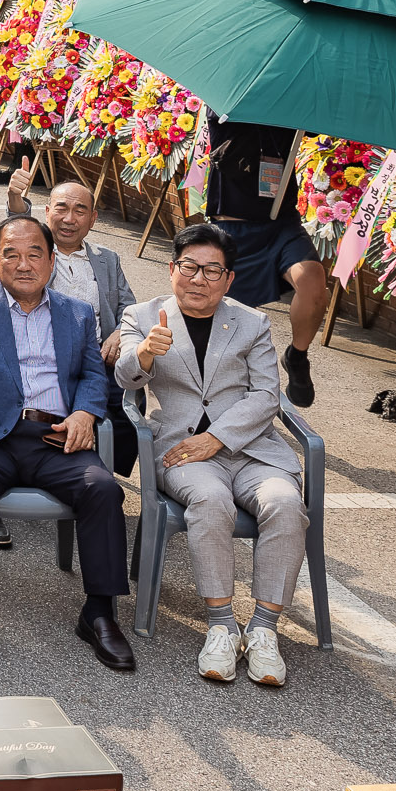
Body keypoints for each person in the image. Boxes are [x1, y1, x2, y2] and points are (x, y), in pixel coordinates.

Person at [0, 215, 133, 670]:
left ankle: (100, 612)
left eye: (34, 255)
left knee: (103, 489)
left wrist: (85, 411)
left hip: (56, 436)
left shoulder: (77, 313)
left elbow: (91, 375)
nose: (23, 265)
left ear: (51, 261)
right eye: (11, 254)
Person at [115, 222, 307, 687]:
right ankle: (220, 623)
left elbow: (266, 396)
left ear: (229, 278)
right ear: (172, 268)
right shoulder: (142, 315)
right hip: (182, 450)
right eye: (190, 267)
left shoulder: (252, 321)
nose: (198, 279)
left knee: (284, 504)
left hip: (251, 448)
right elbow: (124, 379)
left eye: (212, 270)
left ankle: (263, 630)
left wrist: (217, 438)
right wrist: (143, 354)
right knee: (210, 502)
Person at [5, 171, 142, 471]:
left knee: (128, 398)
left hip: (100, 355)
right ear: (47, 212)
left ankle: (107, 472)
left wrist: (119, 333)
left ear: (92, 219)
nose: (69, 218)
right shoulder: (34, 256)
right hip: (49, 356)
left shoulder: (107, 259)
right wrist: (16, 201)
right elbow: (14, 231)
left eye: (80, 211)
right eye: (62, 208)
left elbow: (128, 307)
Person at [201, 116, 324, 407]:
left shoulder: (294, 108)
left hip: (281, 224)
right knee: (220, 329)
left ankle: (297, 355)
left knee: (312, 280)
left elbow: (321, 119)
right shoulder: (233, 101)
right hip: (232, 229)